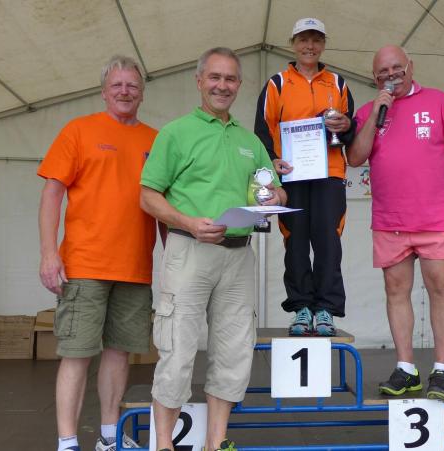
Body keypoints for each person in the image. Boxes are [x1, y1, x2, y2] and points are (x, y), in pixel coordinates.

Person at [140, 47, 286, 451]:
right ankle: (164, 445)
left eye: (231, 79)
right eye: (215, 77)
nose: (223, 86)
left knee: (233, 352)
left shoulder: (250, 141)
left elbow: (274, 189)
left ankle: (215, 443)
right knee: (177, 350)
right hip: (189, 250)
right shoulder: (175, 133)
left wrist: (276, 196)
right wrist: (187, 222)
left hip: (239, 255)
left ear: (239, 84)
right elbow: (148, 195)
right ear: (199, 81)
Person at [347, 45, 444, 400]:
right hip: (390, 220)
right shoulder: (369, 111)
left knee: (440, 287)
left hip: (436, 218)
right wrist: (376, 113)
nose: (391, 75)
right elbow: (355, 157)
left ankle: (442, 369)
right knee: (395, 291)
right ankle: (406, 369)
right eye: (382, 72)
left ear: (410, 66)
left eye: (397, 68)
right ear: (374, 77)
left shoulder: (437, 101)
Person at [38, 55, 157, 451]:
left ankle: (109, 437)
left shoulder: (156, 140)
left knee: (119, 354)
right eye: (117, 85)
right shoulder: (79, 130)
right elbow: (52, 194)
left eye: (132, 85)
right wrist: (49, 253)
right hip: (84, 265)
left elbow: (162, 205)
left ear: (142, 93)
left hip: (135, 268)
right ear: (104, 91)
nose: (125, 91)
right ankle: (67, 442)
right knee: (76, 355)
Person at [255, 17, 354, 337]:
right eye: (303, 39)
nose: (309, 46)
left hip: (330, 174)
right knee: (295, 241)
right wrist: (272, 160)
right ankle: (301, 308)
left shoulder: (337, 83)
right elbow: (262, 129)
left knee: (328, 241)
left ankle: (325, 309)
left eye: (316, 40)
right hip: (292, 176)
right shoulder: (277, 83)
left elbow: (348, 128)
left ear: (323, 44)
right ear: (293, 43)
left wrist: (346, 126)